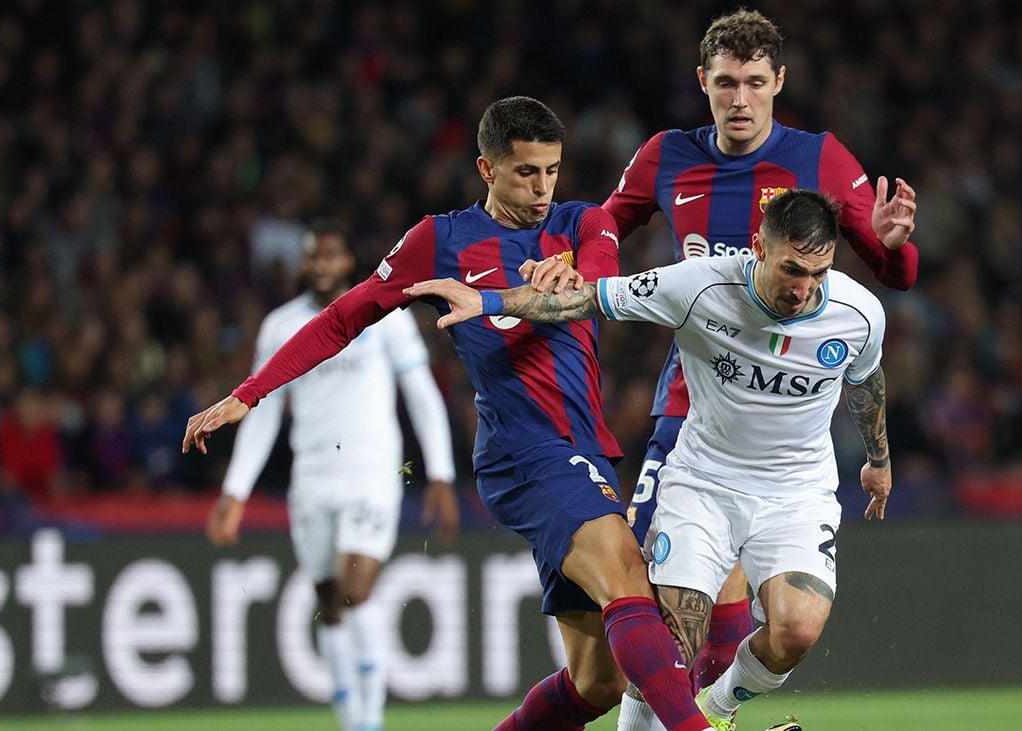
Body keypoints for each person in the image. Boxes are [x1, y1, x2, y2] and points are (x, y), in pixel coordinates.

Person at [185, 96, 723, 731]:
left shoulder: (584, 225)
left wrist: (538, 285)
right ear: (486, 168)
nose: (543, 186)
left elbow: (597, 290)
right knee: (628, 574)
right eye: (526, 172)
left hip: (586, 447)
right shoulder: (439, 241)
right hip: (525, 449)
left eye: (552, 169)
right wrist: (250, 392)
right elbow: (341, 319)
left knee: (597, 682)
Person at [411, 189, 892, 731]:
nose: (804, 289)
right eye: (792, 270)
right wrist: (493, 302)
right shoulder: (700, 285)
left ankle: (717, 709)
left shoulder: (859, 314)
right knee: (672, 647)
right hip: (703, 483)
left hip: (797, 493)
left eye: (818, 273)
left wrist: (878, 458)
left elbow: (864, 378)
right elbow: (587, 298)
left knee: (798, 630)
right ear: (759, 246)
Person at [600, 7, 918, 718]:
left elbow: (887, 280)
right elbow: (603, 229)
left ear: (779, 81)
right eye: (723, 83)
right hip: (689, 412)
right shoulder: (665, 156)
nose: (738, 99)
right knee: (665, 619)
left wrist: (894, 245)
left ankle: (709, 711)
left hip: (778, 433)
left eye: (752, 82)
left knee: (734, 632)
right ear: (702, 83)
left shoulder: (819, 160)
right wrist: (572, 264)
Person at [205, 220, 459, 731]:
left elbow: (422, 394)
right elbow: (266, 413)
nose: (320, 265)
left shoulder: (383, 316)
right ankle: (351, 720)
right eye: (312, 257)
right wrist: (235, 492)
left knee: (354, 590)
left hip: (371, 474)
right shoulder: (281, 327)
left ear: (347, 262)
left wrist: (441, 472)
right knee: (329, 600)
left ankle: (371, 720)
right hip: (312, 479)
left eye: (330, 256)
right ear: (304, 264)